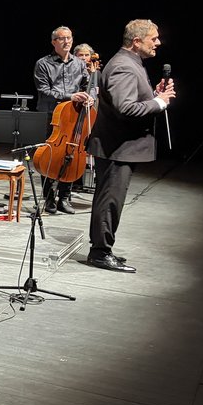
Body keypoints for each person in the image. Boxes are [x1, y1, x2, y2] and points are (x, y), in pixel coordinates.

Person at [85, 20, 175, 273]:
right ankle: (100, 252)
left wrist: (152, 95)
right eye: (153, 38)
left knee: (112, 198)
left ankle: (103, 248)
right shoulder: (124, 66)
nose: (158, 43)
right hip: (117, 147)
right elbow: (125, 108)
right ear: (136, 41)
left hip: (120, 146)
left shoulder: (130, 63)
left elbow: (130, 100)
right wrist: (158, 102)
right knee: (109, 200)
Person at [34, 26, 93, 214]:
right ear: (54, 42)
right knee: (50, 156)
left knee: (73, 153)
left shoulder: (79, 63)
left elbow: (88, 84)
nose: (67, 41)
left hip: (74, 115)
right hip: (52, 115)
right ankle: (49, 198)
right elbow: (44, 90)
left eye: (69, 38)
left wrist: (90, 96)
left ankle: (64, 197)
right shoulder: (43, 63)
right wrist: (71, 96)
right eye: (62, 38)